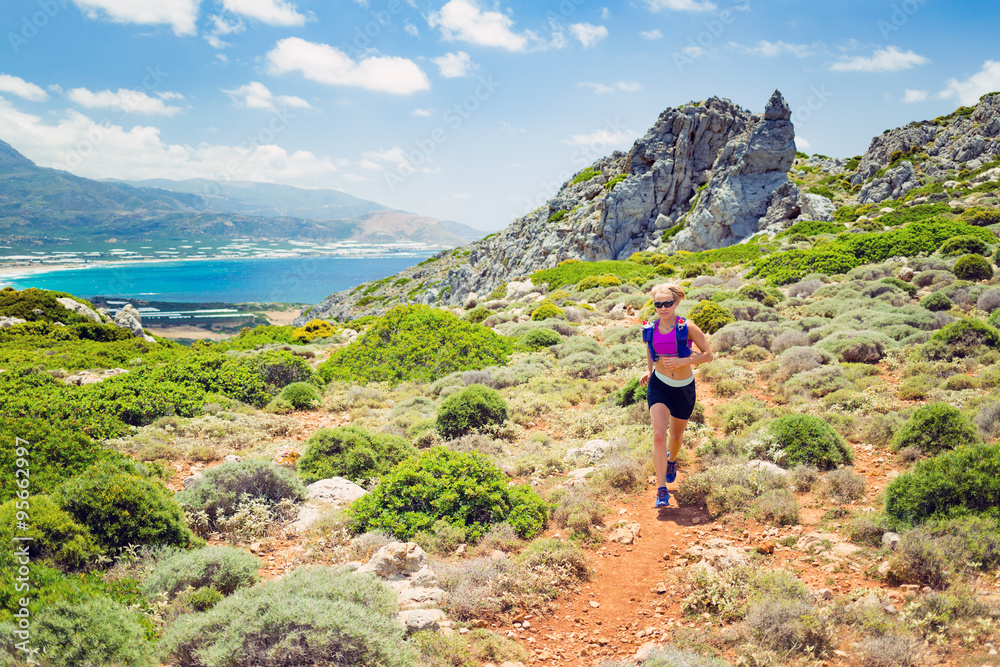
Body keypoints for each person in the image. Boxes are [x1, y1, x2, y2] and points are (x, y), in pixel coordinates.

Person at [639, 284, 713, 509]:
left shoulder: (687, 326)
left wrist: (683, 361)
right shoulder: (650, 328)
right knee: (659, 435)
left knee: (676, 437)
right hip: (660, 384)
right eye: (658, 304)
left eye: (667, 303)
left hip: (683, 387)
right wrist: (649, 371)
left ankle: (671, 462)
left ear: (676, 303)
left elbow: (708, 356)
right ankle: (661, 490)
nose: (663, 308)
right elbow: (651, 352)